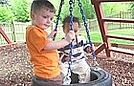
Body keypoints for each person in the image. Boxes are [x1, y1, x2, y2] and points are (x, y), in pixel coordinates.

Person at [26, 0, 75, 86]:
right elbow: (46, 46)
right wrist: (66, 41)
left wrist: (49, 37)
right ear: (33, 15)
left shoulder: (37, 31)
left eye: (51, 18)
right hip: (48, 74)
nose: (49, 21)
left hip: (47, 72)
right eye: (45, 17)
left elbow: (41, 43)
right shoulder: (34, 31)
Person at [58, 16, 95, 85]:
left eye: (75, 31)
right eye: (69, 31)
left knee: (86, 70)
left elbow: (86, 47)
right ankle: (65, 84)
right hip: (66, 63)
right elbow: (58, 53)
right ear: (64, 30)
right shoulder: (63, 42)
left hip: (79, 61)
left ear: (79, 30)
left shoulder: (81, 39)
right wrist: (63, 58)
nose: (73, 34)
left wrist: (90, 49)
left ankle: (84, 83)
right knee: (62, 72)